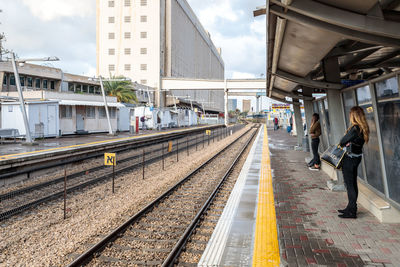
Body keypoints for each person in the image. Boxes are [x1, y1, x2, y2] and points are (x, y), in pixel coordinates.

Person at [337, 106, 369, 219]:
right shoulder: (363, 127)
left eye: (351, 115)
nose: (350, 117)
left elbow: (342, 141)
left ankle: (352, 211)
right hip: (356, 158)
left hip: (350, 159)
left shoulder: (355, 128)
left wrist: (345, 142)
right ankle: (350, 207)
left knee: (349, 184)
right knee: (353, 183)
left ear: (354, 116)